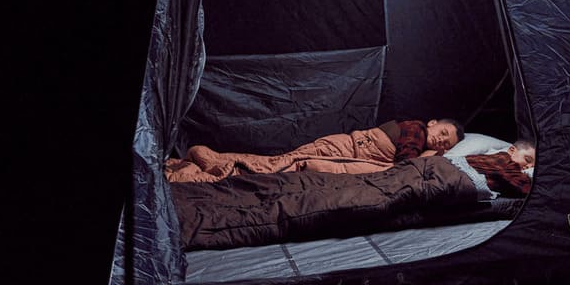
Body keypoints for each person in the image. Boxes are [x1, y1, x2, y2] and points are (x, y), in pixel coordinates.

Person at [165, 118, 464, 183]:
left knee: (277, 162)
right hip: (339, 147)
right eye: (442, 133)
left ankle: (202, 158)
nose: (440, 141)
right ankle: (203, 164)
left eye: (445, 144)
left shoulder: (417, 135)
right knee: (276, 167)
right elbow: (405, 166)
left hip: (339, 148)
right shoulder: (414, 130)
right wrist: (430, 157)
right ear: (433, 122)